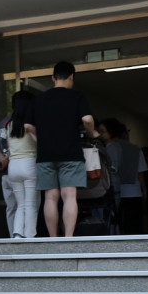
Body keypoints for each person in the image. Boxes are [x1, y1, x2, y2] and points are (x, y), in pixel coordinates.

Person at [25, 61, 98, 238]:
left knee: (50, 197)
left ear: (53, 78)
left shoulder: (39, 99)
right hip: (70, 153)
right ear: (72, 77)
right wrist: (92, 133)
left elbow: (27, 125)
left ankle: (53, 238)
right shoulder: (77, 96)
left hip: (46, 154)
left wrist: (39, 139)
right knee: (69, 196)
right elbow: (87, 120)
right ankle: (68, 238)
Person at [100, 118, 148, 235]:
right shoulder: (135, 149)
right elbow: (140, 172)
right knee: (134, 225)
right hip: (134, 191)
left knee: (118, 222)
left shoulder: (108, 148)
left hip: (115, 190)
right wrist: (144, 190)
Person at [4, 91, 38, 238]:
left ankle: (17, 233)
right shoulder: (32, 123)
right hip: (29, 163)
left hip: (13, 166)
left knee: (21, 204)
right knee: (31, 204)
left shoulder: (9, 124)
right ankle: (30, 235)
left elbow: (9, 147)